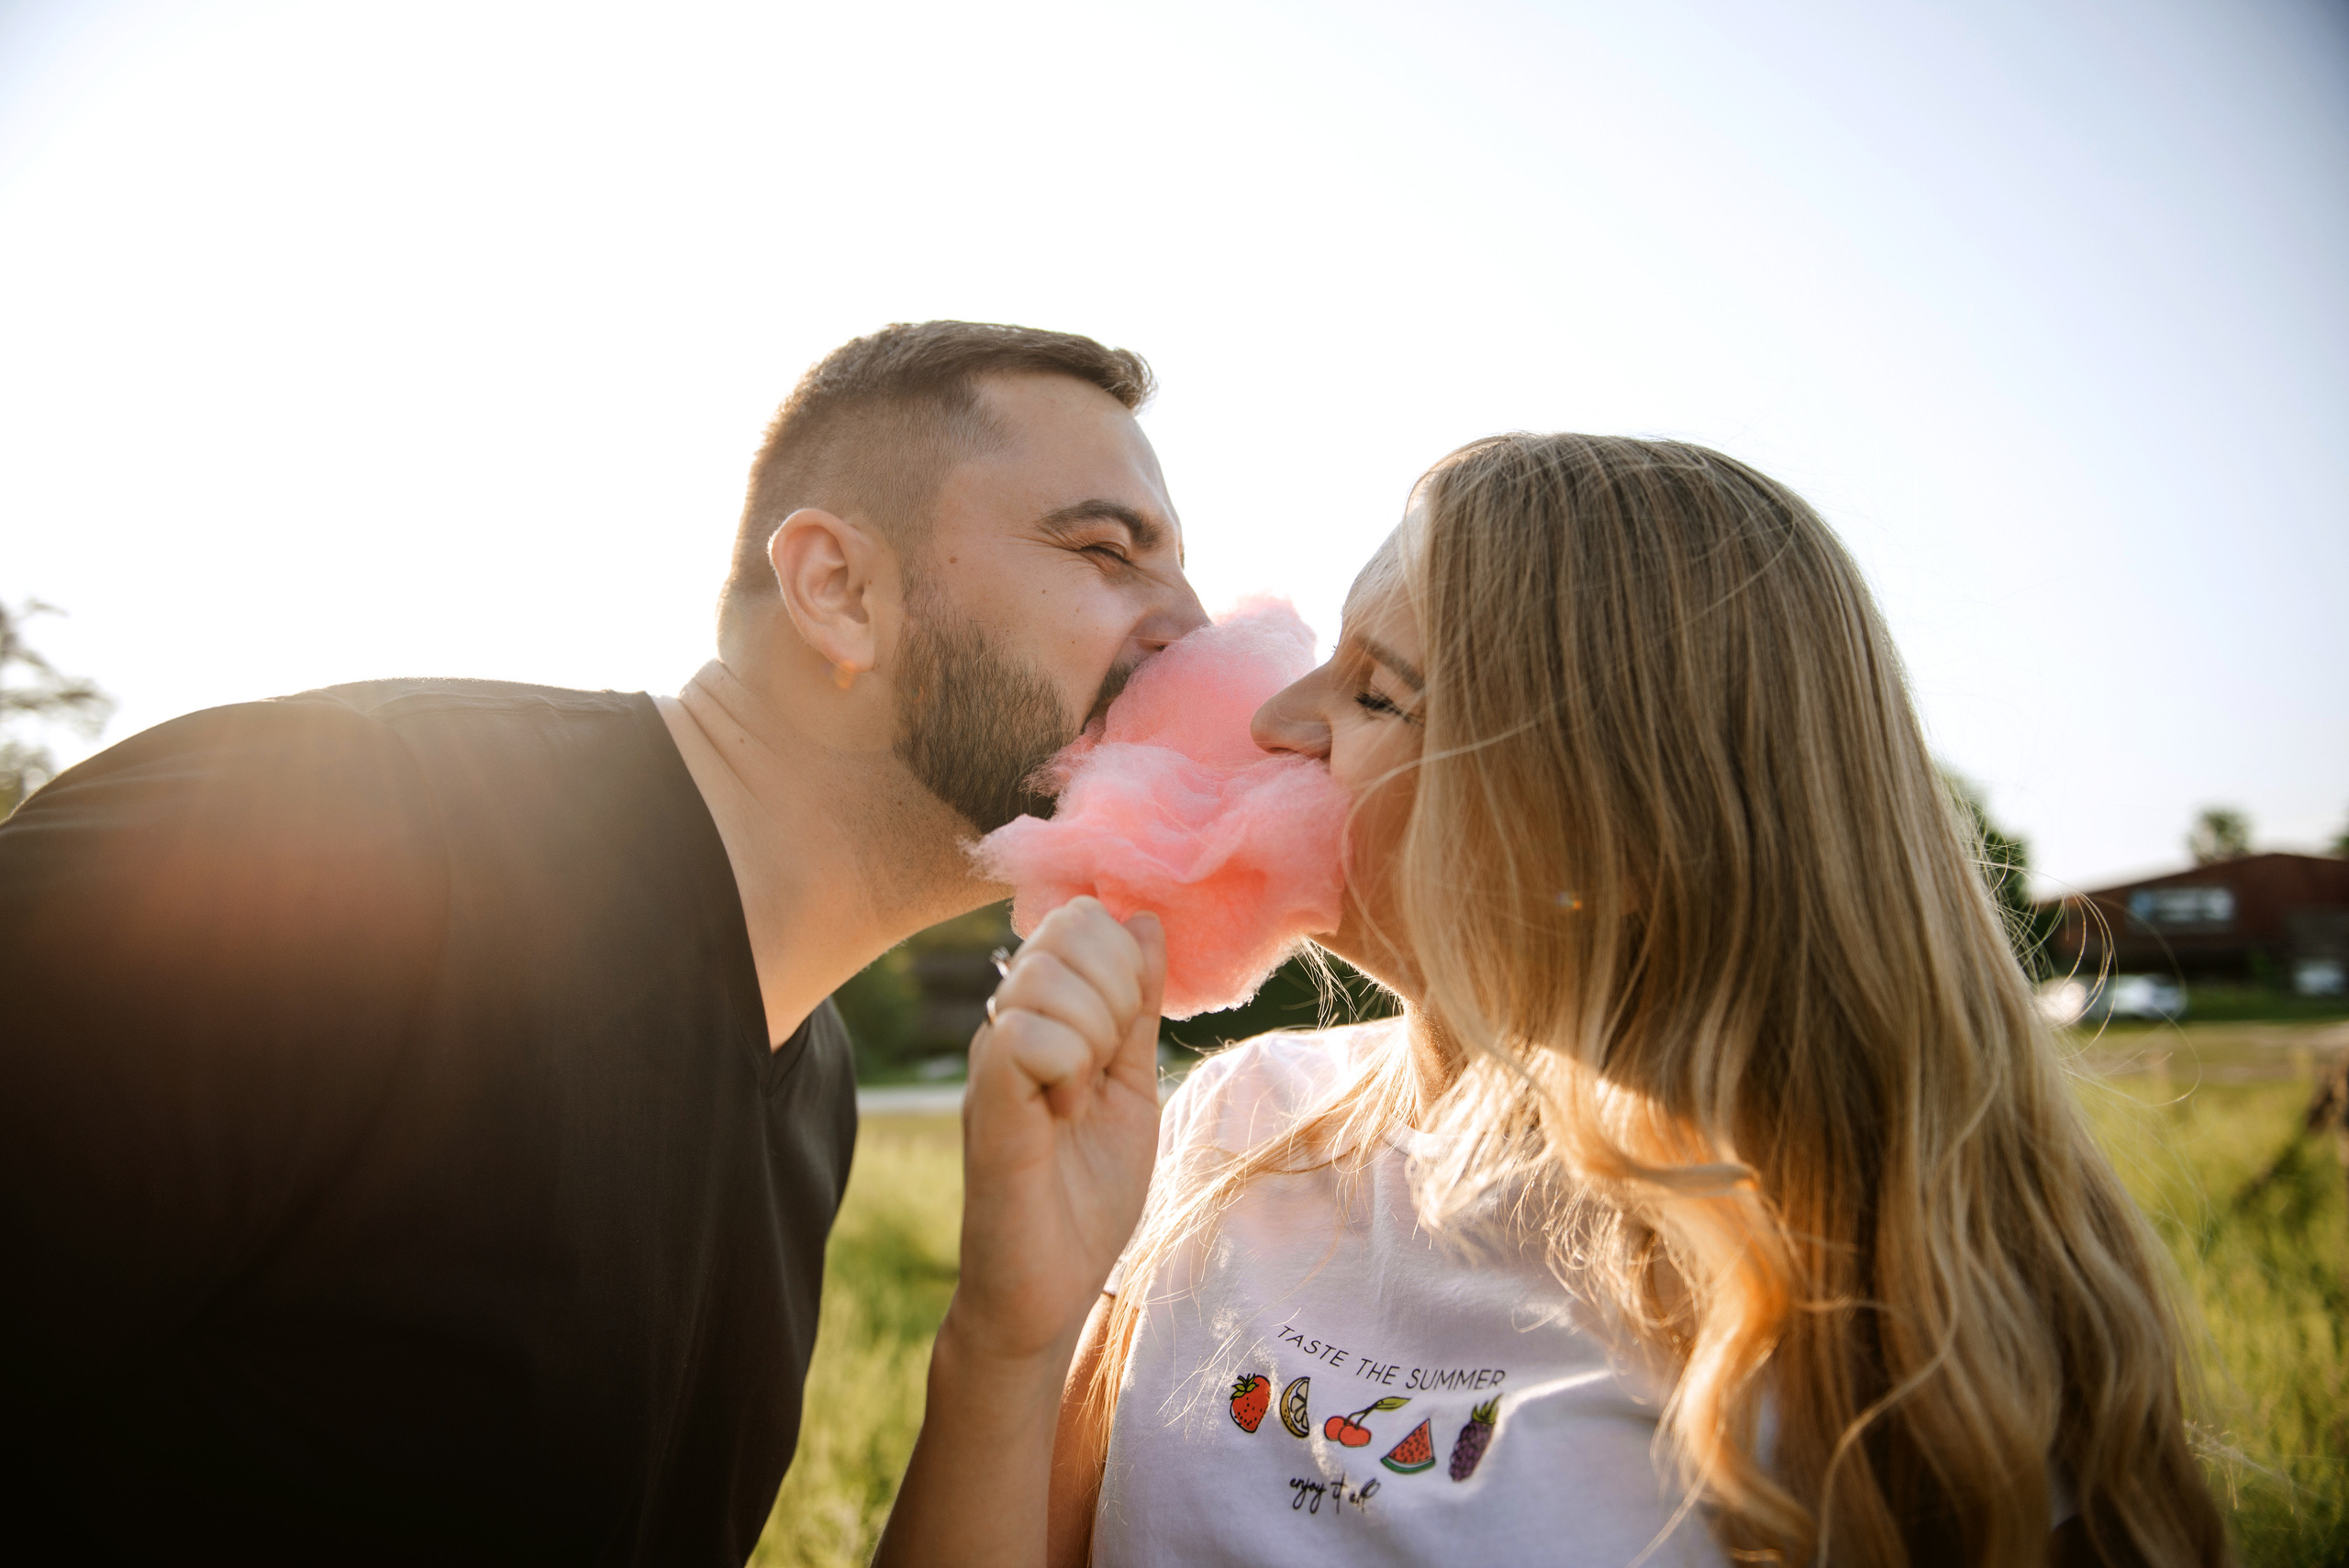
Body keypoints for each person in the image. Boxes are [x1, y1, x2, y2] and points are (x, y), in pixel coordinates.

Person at [878, 434, 2230, 1567]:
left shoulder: (1886, 1313)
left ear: (1605, 819)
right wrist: (1009, 1329)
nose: (1277, 719)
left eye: (1376, 690)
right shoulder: (1240, 1121)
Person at [0, 320, 1208, 1565]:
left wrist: (1009, 1342)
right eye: (1108, 549)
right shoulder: (318, 837)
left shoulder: (813, 1077)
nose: (1197, 627)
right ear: (840, 591)